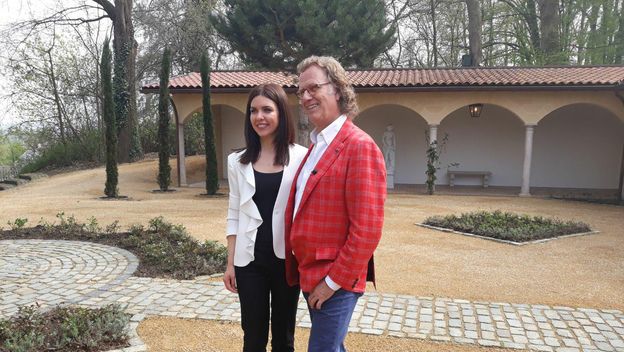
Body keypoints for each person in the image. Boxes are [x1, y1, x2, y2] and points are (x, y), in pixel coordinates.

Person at [285, 56, 387, 352]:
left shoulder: (359, 146)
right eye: (301, 91)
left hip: (335, 279)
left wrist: (331, 283)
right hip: (310, 272)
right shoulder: (316, 146)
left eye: (313, 88)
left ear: (338, 90)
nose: (305, 97)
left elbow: (367, 230)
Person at [224, 83, 308, 352]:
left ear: (281, 113)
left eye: (267, 110)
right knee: (253, 337)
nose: (259, 116)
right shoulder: (236, 161)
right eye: (254, 111)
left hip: (287, 262)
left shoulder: (301, 157)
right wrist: (230, 264)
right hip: (249, 263)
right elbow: (234, 213)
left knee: (284, 339)